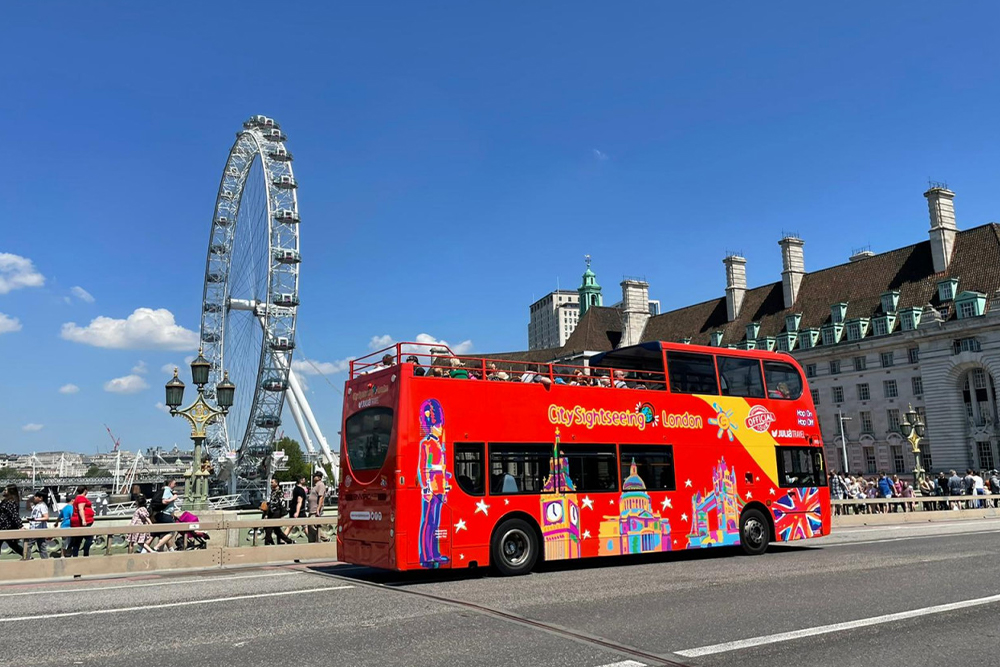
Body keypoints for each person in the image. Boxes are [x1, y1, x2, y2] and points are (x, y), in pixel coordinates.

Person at [263, 478, 294, 545]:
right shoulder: (273, 492)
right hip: (271, 512)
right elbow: (271, 503)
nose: (271, 484)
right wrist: (266, 513)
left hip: (276, 512)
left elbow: (282, 503)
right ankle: (289, 541)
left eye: (272, 482)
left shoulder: (279, 492)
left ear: (276, 483)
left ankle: (267, 543)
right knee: (277, 530)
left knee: (269, 528)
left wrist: (282, 515)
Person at [152, 479, 179, 552]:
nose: (176, 485)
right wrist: (174, 498)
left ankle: (167, 550)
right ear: (170, 483)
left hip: (161, 514)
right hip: (165, 515)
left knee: (164, 533)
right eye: (174, 483)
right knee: (172, 531)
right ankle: (157, 547)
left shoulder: (165, 490)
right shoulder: (167, 490)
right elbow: (164, 501)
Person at [68, 486, 95, 557]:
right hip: (81, 522)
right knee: (89, 539)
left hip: (77, 522)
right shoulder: (81, 498)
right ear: (85, 490)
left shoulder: (77, 498)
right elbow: (81, 509)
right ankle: (85, 554)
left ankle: (75, 556)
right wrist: (83, 520)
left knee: (77, 540)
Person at [0, 485, 24, 557]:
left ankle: (28, 556)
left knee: (13, 545)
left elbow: (14, 515)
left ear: (10, 491)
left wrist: (20, 526)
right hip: (2, 527)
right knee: (13, 545)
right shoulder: (5, 501)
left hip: (7, 527)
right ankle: (27, 556)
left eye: (6, 490)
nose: (4, 491)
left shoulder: (11, 502)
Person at [25, 491, 49, 560]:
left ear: (41, 498)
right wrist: (29, 501)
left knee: (28, 545)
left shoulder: (43, 506)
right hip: (35, 529)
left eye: (36, 496)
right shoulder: (37, 506)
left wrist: (34, 519)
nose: (34, 498)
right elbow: (28, 508)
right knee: (42, 547)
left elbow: (46, 517)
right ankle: (46, 561)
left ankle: (26, 559)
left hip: (38, 529)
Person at [307, 472, 327, 543]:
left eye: (315, 476)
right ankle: (313, 542)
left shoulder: (320, 485)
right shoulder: (315, 485)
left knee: (313, 525)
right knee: (310, 527)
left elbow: (321, 497)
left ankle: (326, 538)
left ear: (319, 478)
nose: (313, 477)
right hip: (311, 510)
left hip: (315, 510)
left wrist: (318, 509)